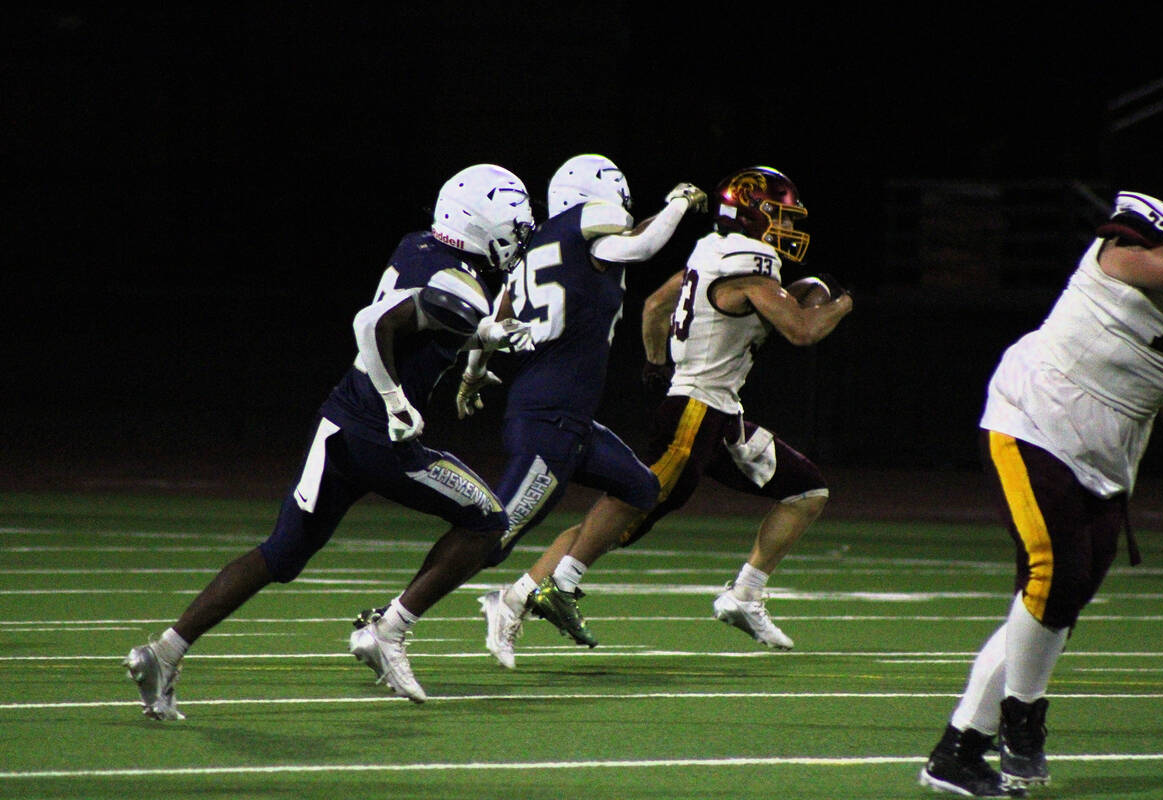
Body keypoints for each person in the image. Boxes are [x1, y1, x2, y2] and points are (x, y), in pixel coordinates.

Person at [123, 163, 537, 718]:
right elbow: (372, 324)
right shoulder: (454, 277)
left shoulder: (420, 247)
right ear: (482, 222)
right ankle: (388, 631)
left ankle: (164, 651)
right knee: (488, 520)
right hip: (382, 439)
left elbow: (428, 319)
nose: (518, 238)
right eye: (513, 225)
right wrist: (396, 402)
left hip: (339, 422)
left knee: (280, 555)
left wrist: (480, 345)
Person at [482, 165, 853, 661]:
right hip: (696, 413)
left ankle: (744, 594)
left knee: (806, 490)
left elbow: (656, 305)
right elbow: (803, 331)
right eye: (779, 215)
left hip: (718, 414)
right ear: (752, 214)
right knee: (624, 515)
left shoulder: (711, 252)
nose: (786, 227)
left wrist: (657, 364)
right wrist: (842, 301)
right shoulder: (748, 264)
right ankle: (518, 596)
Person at [355, 154, 709, 669]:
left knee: (640, 488)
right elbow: (645, 244)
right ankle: (387, 622)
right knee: (489, 538)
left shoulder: (547, 249)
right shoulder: (588, 235)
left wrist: (474, 373)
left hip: (568, 419)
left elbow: (498, 312)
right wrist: (679, 202)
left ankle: (526, 593)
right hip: (549, 421)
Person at [917, 164, 1163, 797]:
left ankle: (957, 752)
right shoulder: (1151, 220)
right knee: (1054, 573)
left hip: (1115, 440)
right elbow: (1137, 265)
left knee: (1052, 604)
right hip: (1041, 408)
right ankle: (1024, 719)